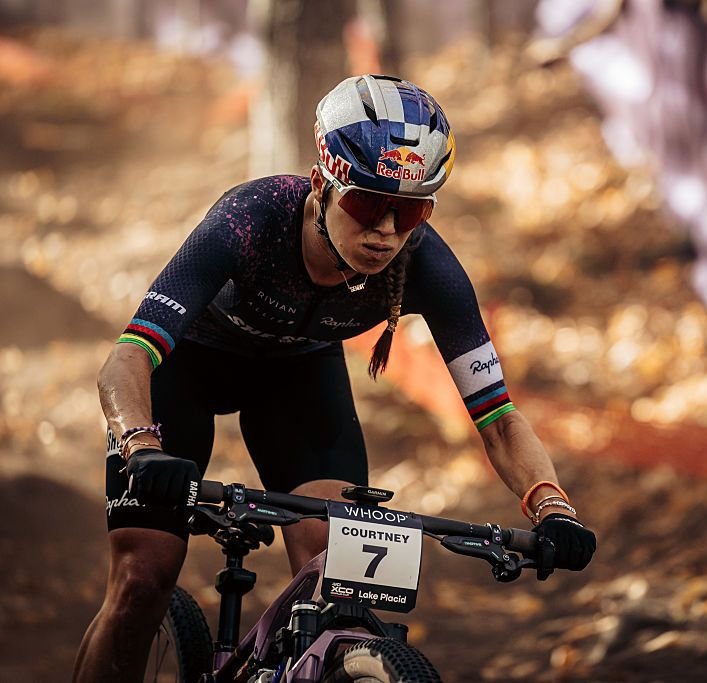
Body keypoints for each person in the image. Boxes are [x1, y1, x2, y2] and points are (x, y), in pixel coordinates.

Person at [73, 74, 597, 682]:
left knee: (338, 578)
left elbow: (498, 418)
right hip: (185, 371)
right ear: (322, 184)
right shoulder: (249, 220)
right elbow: (127, 358)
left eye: (411, 210)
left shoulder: (428, 264)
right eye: (368, 205)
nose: (387, 231)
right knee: (143, 578)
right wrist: (142, 447)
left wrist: (553, 507)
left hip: (295, 379)